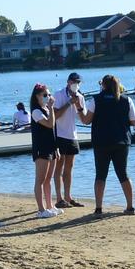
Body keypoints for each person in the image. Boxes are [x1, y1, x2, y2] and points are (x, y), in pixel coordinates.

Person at [81, 74, 135, 216]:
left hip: (101, 142)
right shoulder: (127, 100)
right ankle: (130, 207)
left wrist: (78, 107)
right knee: (123, 174)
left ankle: (99, 208)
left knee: (100, 175)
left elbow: (87, 120)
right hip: (121, 141)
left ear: (103, 85)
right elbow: (134, 122)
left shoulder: (96, 100)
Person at [51, 72, 86, 208]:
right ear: (68, 82)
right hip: (59, 134)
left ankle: (68, 196)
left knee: (69, 168)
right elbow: (55, 115)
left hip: (73, 135)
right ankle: (59, 198)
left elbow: (83, 120)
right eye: (74, 82)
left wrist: (77, 104)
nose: (76, 85)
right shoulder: (59, 94)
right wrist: (68, 103)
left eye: (78, 82)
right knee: (58, 167)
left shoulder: (80, 97)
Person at [28, 83, 60, 217]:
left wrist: (56, 148)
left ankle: (50, 205)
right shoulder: (36, 111)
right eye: (45, 95)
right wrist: (51, 107)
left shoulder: (46, 109)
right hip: (41, 148)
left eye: (49, 94)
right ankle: (41, 209)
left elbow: (54, 129)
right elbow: (49, 124)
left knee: (48, 179)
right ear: (37, 96)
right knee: (40, 180)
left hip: (51, 147)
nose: (48, 97)